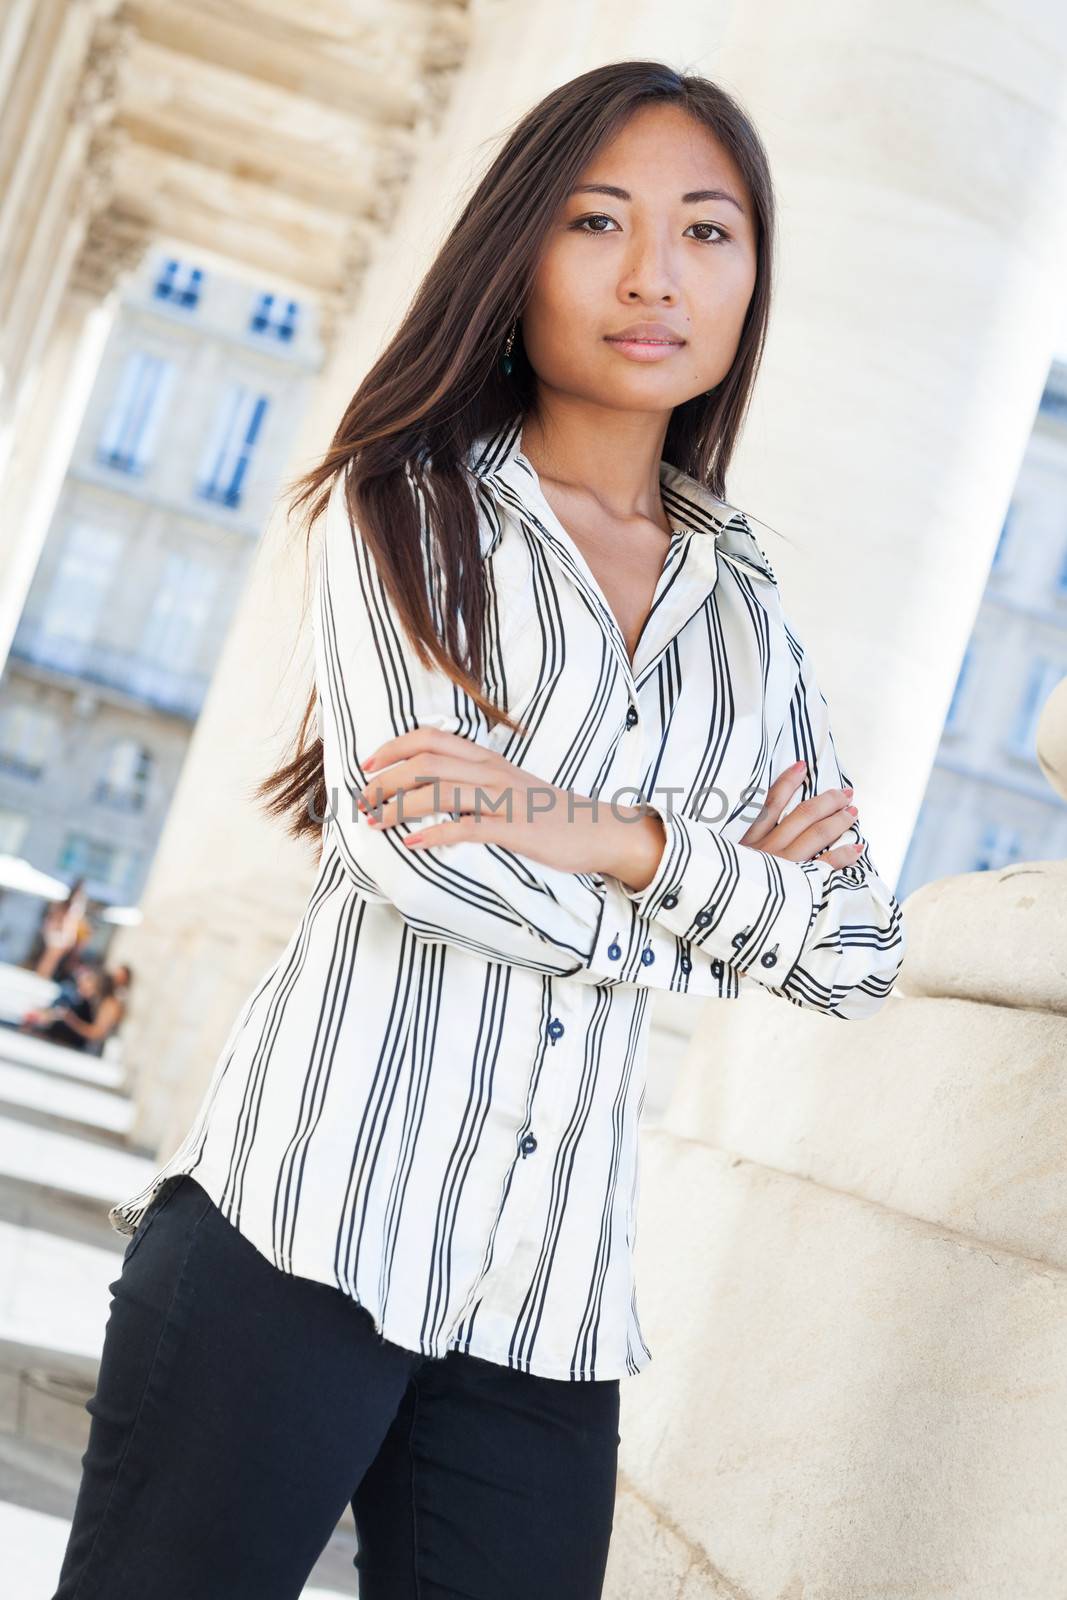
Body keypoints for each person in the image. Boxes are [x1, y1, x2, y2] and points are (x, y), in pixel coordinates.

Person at [52, 61, 907, 1600]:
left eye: (708, 232)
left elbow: (853, 949)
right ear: (518, 254)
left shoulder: (750, 623)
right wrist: (709, 901)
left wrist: (599, 832)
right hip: (294, 1237)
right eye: (599, 222)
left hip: (548, 1307)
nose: (655, 275)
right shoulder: (405, 508)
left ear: (753, 278)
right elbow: (411, 856)